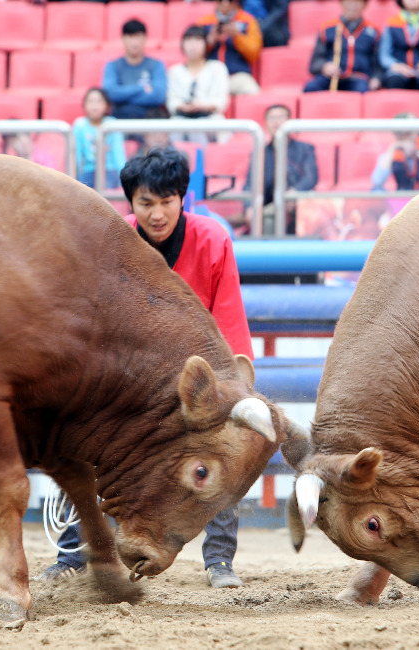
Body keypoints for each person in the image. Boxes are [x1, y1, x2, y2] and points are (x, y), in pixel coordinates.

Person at [35, 149, 251, 589]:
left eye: (167, 201)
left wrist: (233, 391)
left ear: (183, 198)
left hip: (199, 384)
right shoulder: (112, 243)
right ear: (130, 203)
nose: (157, 213)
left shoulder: (213, 240)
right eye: (146, 203)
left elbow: (229, 322)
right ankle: (71, 553)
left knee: (227, 440)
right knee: (86, 439)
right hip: (128, 384)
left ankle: (220, 560)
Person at [242, 104, 318, 235]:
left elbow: (310, 177)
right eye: (271, 118)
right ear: (265, 123)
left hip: (299, 203)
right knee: (266, 216)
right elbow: (250, 184)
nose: (276, 122)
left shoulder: (305, 149)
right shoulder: (260, 153)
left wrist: (293, 193)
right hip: (268, 204)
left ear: (289, 121)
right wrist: (249, 208)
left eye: (281, 117)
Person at [167, 25, 230, 144]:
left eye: (197, 40)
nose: (193, 45)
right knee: (173, 130)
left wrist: (202, 106)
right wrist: (184, 107)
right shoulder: (174, 71)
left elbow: (221, 102)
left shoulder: (217, 68)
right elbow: (172, 102)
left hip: (210, 119)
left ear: (205, 44)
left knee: (196, 130)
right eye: (189, 40)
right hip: (182, 118)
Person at [304, 0, 381, 93]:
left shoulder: (372, 30)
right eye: (348, 2)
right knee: (311, 88)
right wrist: (325, 66)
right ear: (341, 3)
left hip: (359, 77)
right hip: (332, 76)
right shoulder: (328, 28)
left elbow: (377, 61)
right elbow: (315, 62)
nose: (352, 6)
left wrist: (377, 78)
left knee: (363, 90)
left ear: (365, 5)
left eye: (357, 3)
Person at [102, 19, 167, 120]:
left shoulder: (157, 65)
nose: (134, 42)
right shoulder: (113, 65)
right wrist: (142, 88)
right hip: (119, 119)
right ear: (123, 39)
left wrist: (123, 97)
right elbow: (111, 94)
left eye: (138, 37)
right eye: (130, 37)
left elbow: (158, 96)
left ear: (145, 39)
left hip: (149, 121)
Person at [198, 0, 262, 95]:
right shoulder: (205, 22)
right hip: (210, 76)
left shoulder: (248, 21)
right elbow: (194, 54)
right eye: (221, 0)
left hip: (237, 75)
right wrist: (210, 40)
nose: (225, 3)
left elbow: (254, 53)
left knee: (251, 91)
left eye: (230, 0)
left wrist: (237, 36)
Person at [371, 112, 419, 190]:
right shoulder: (394, 150)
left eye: (410, 131)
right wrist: (393, 149)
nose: (408, 135)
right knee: (377, 190)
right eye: (402, 133)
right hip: (401, 198)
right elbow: (377, 181)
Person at [73, 88, 126, 189]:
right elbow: (77, 155)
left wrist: (123, 180)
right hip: (88, 170)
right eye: (91, 101)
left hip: (109, 170)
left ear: (106, 105)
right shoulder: (79, 125)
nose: (94, 106)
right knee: (82, 190)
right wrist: (73, 177)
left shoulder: (112, 124)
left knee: (106, 189)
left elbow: (118, 154)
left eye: (99, 101)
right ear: (84, 105)